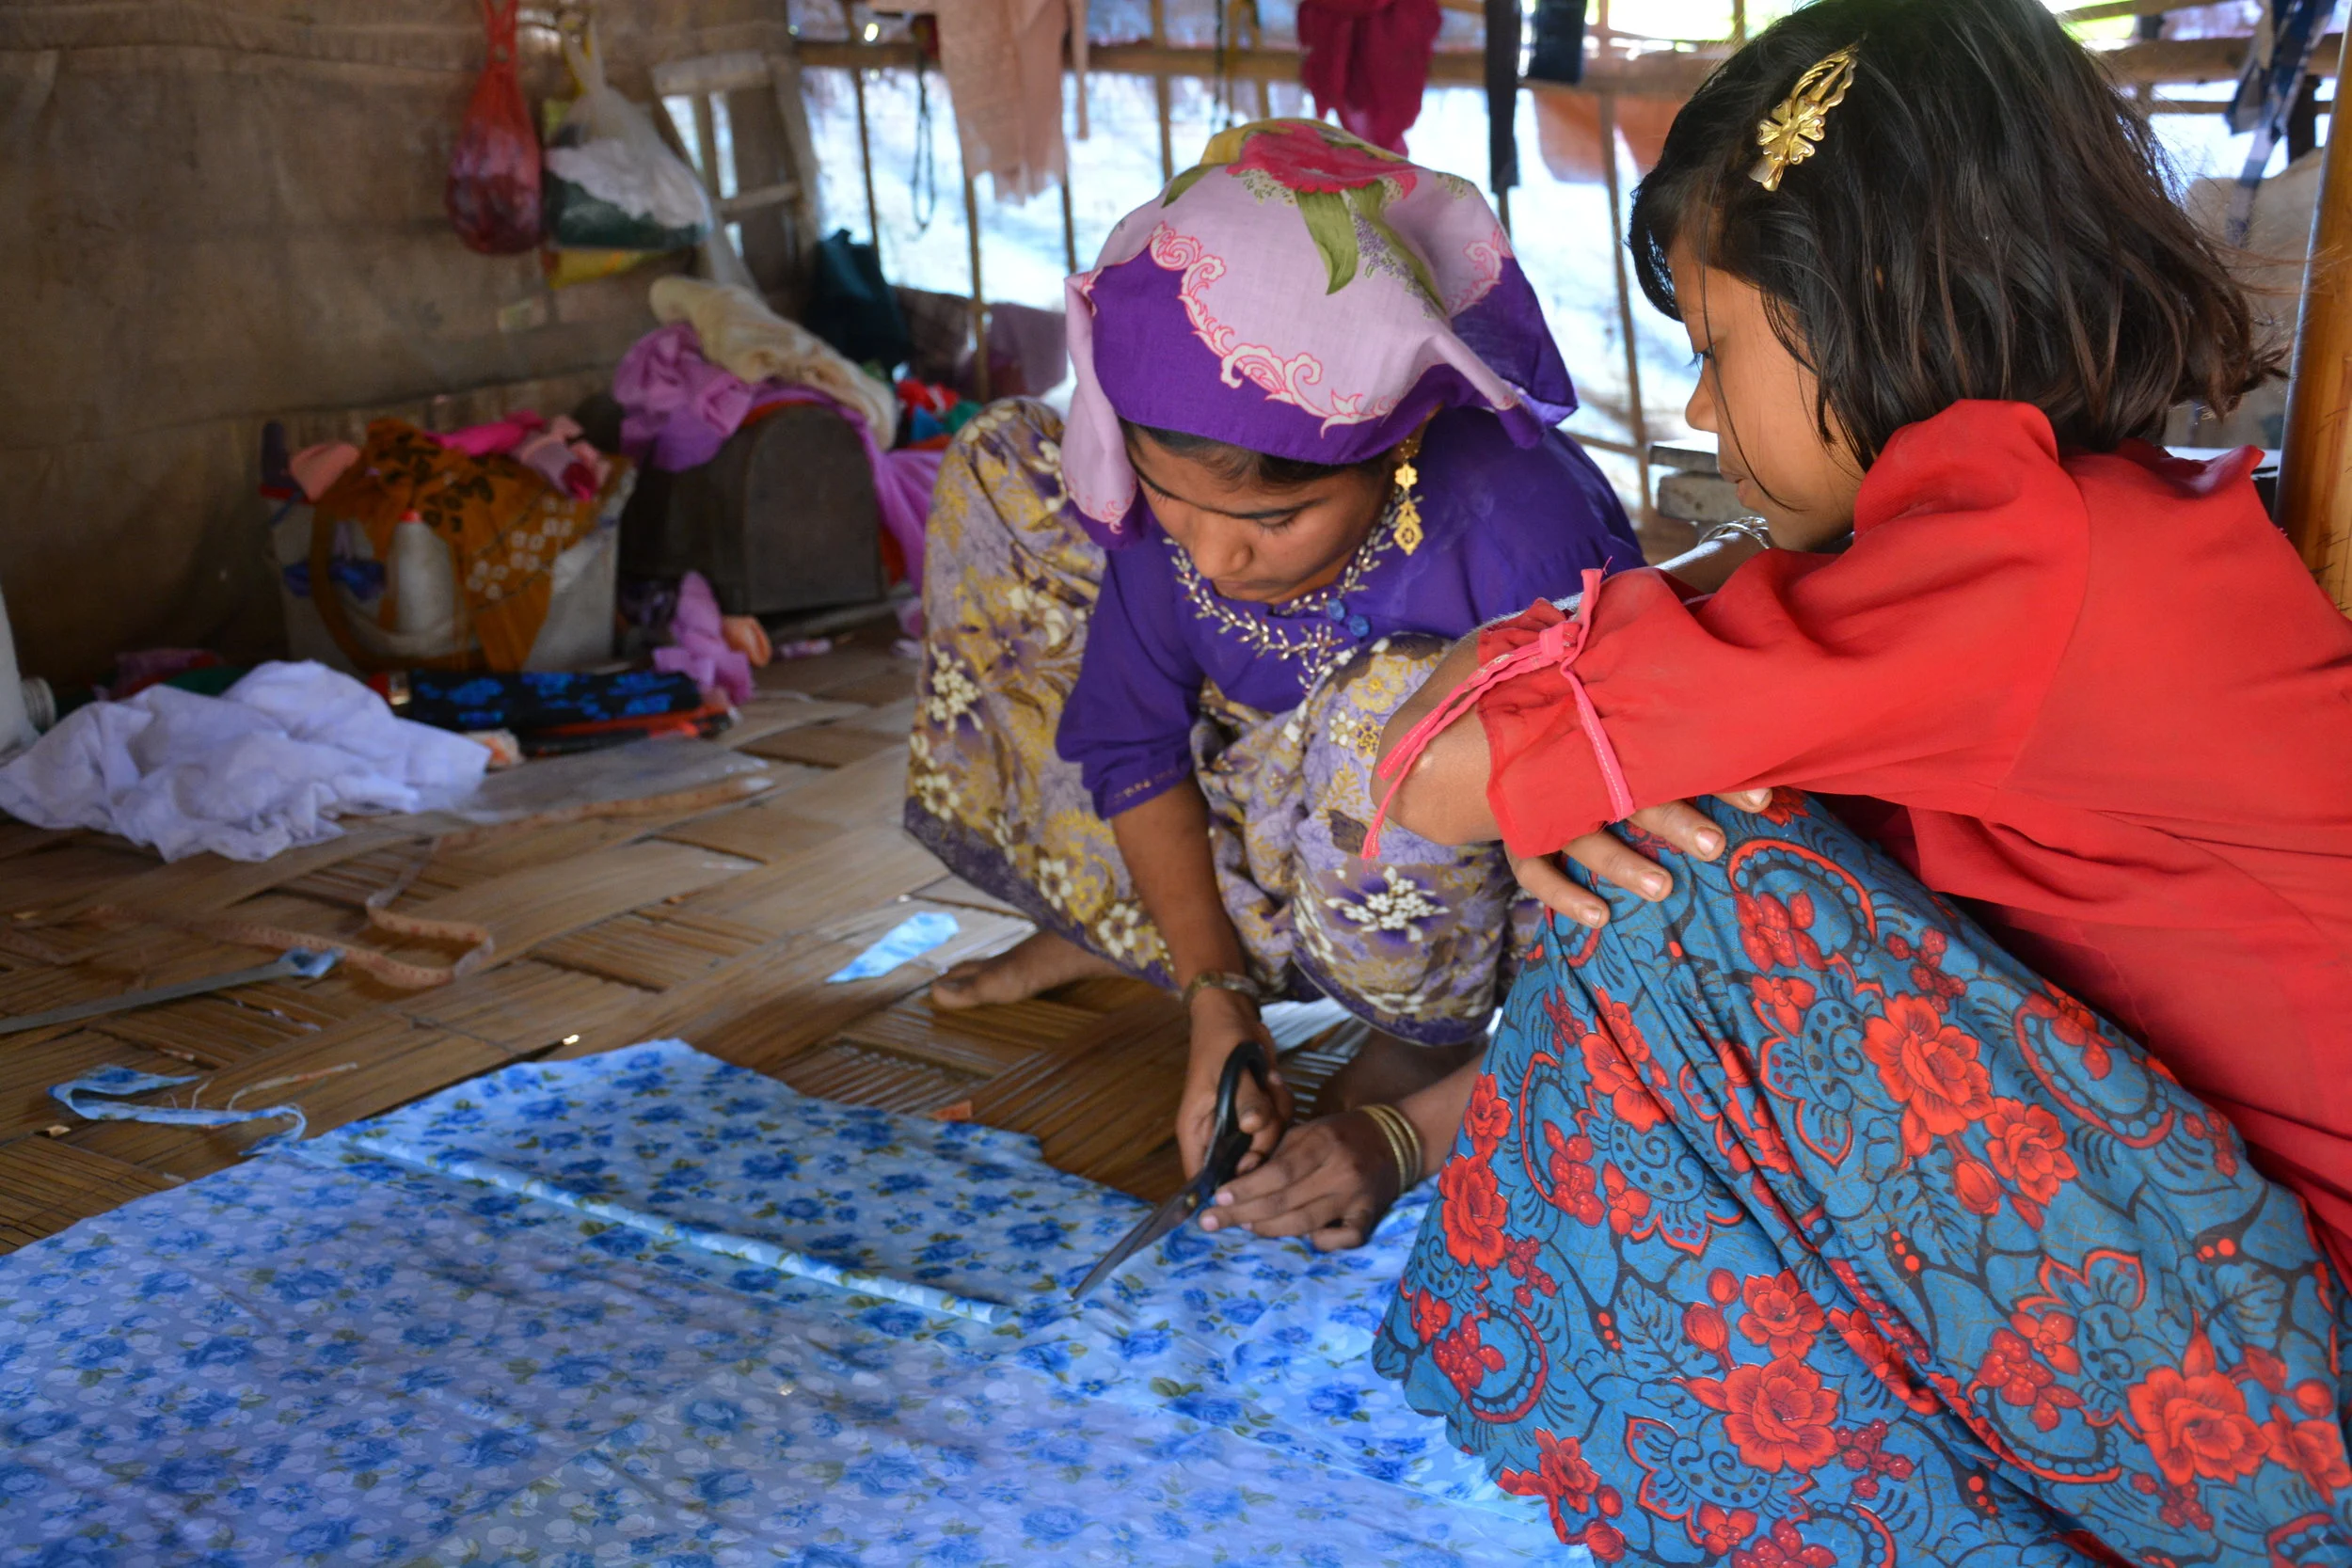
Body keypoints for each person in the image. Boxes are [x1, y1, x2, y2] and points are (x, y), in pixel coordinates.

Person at [1206, 2, 2352, 1560]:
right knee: (1704, 830)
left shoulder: (2022, 567)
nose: (1694, 407)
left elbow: (1431, 762)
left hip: (2291, 1405)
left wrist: (1592, 738)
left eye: (1713, 345)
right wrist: (1408, 1132)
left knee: (1693, 877)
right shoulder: (2098, 531)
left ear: (1866, 303)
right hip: (2245, 1333)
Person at [905, 119, 1677, 1181]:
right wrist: (1215, 1000)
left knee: (1398, 704)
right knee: (999, 462)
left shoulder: (1523, 529)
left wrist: (1439, 1111)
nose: (1215, 559)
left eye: (1275, 523)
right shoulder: (1174, 510)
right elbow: (1131, 741)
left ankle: (1417, 1023)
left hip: (1462, 892)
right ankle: (1150, 938)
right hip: (1261, 809)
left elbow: (1615, 831)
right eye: (1174, 507)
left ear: (1392, 444)